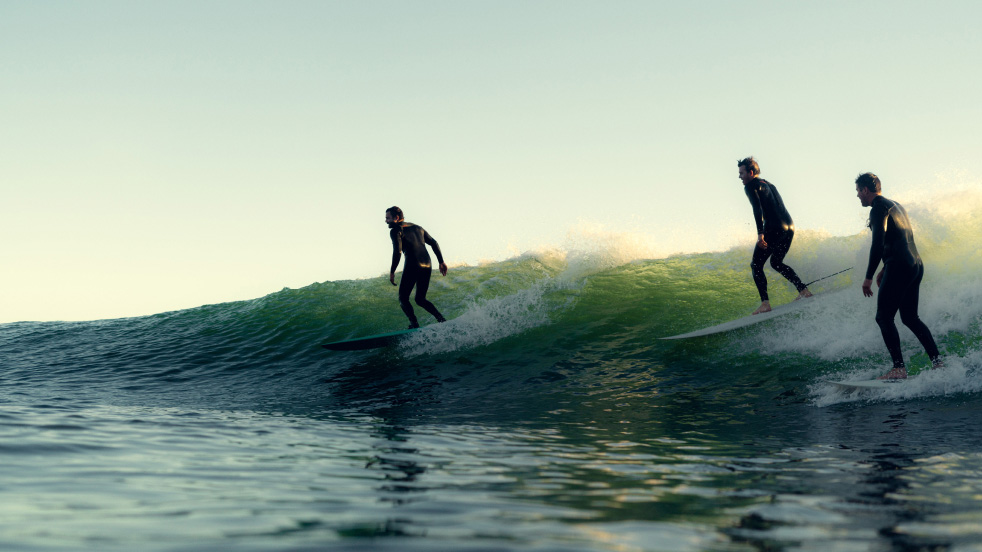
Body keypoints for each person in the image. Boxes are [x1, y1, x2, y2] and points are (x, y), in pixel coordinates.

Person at [855, 173, 942, 379]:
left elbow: (878, 242)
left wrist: (868, 277)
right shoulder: (895, 205)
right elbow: (900, 238)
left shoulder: (877, 209)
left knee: (883, 317)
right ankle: (938, 363)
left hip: (900, 266)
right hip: (915, 264)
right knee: (910, 318)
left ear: (866, 190)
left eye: (858, 191)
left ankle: (898, 368)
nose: (857, 195)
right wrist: (886, 267)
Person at [738, 157, 812, 314]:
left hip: (774, 228)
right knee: (776, 262)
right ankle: (803, 291)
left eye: (742, 173)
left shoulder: (751, 186)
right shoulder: (769, 184)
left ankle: (765, 304)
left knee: (756, 265)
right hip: (789, 226)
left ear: (751, 173)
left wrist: (760, 234)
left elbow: (757, 210)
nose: (740, 177)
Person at [385, 206, 448, 329]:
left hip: (413, 264)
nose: (386, 221)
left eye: (388, 218)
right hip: (427, 264)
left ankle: (414, 324)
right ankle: (441, 319)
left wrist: (392, 271)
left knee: (403, 298)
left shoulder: (395, 230)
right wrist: (441, 262)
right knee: (420, 299)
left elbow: (397, 252)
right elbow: (434, 243)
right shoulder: (418, 228)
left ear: (396, 218)